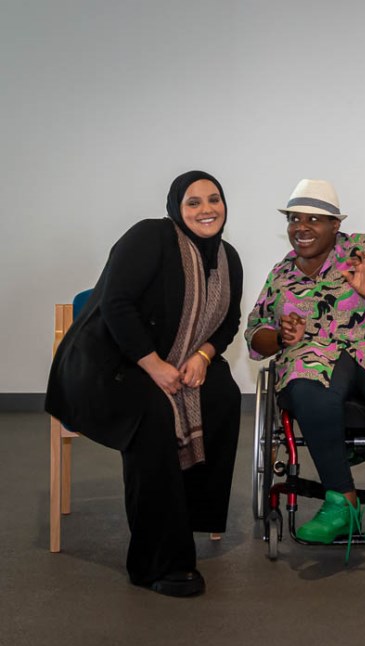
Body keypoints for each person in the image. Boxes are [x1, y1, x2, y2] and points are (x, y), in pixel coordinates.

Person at [46, 170, 244, 597]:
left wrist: (203, 355)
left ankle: (189, 515)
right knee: (154, 416)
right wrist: (153, 365)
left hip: (171, 363)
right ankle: (158, 562)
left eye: (214, 199)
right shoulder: (150, 237)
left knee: (223, 395)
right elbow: (116, 304)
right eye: (193, 202)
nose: (206, 209)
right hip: (107, 365)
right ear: (176, 207)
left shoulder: (228, 257)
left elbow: (229, 321)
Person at [246, 179, 365, 547]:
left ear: (335, 225)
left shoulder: (364, 250)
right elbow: (254, 336)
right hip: (314, 354)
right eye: (295, 219)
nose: (301, 227)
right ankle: (340, 503)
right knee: (305, 383)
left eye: (314, 219)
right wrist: (282, 338)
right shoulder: (281, 275)